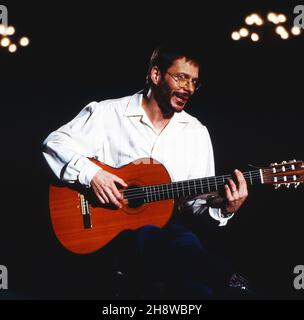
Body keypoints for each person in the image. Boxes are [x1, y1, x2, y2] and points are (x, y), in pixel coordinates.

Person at [42, 43, 248, 299]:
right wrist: (93, 174)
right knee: (156, 239)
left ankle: (212, 277)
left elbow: (194, 205)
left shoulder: (196, 133)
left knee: (195, 286)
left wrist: (225, 207)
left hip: (165, 236)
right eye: (182, 77)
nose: (189, 89)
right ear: (155, 75)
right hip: (105, 231)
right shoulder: (109, 113)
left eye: (195, 82)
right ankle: (219, 273)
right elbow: (54, 143)